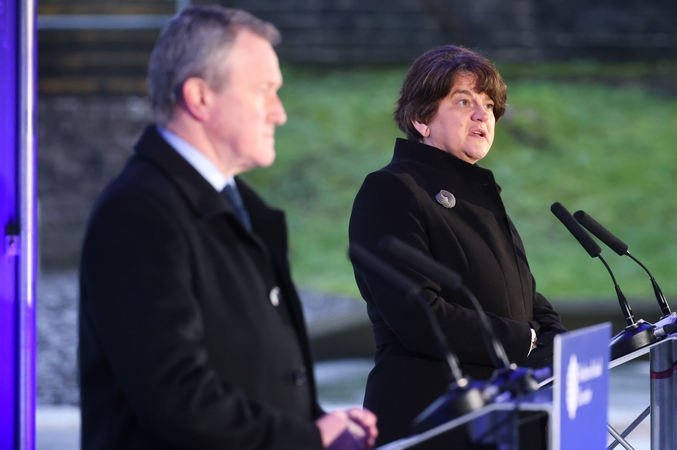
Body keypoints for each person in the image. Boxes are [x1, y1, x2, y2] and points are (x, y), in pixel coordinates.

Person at [79, 6, 377, 450]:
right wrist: (303, 439)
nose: (279, 113)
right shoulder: (138, 213)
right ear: (199, 97)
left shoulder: (236, 206)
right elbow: (176, 398)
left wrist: (321, 425)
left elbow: (246, 367)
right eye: (263, 91)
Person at [348, 45, 568, 448]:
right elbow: (418, 315)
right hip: (436, 419)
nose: (484, 114)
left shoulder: (482, 195)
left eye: (488, 104)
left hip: (507, 415)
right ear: (421, 118)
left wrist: (559, 344)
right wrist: (525, 340)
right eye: (464, 101)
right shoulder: (391, 190)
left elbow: (523, 296)